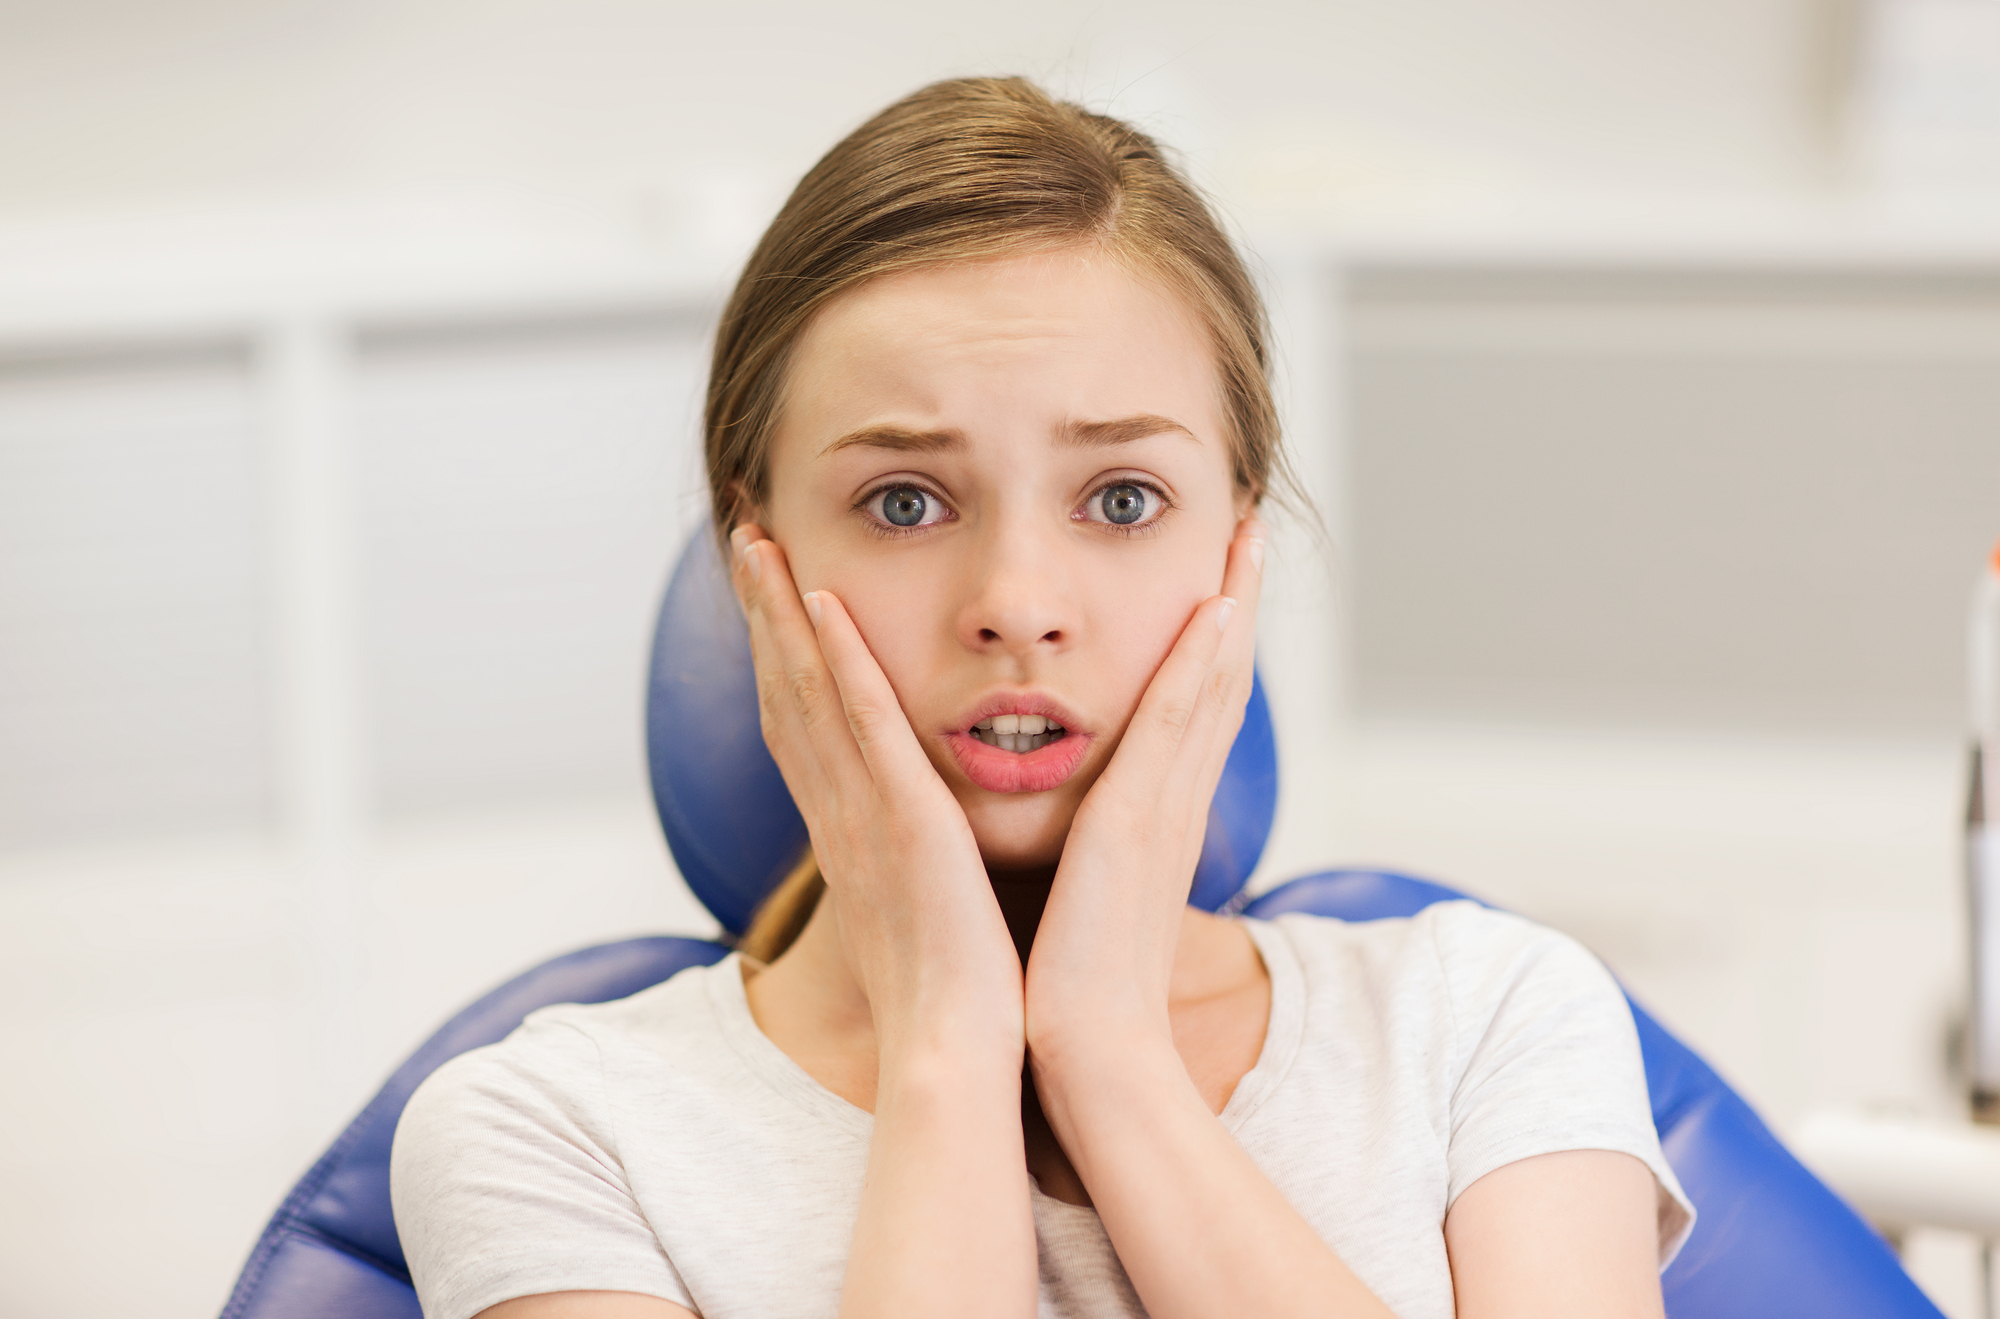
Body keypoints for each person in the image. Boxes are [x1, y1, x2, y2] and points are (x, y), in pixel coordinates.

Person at [390, 76, 1693, 1319]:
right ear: (758, 565)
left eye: (1122, 499)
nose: (1017, 600)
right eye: (904, 502)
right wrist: (950, 1045)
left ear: (1237, 546)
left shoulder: (1489, 1014)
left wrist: (1108, 1057)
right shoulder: (547, 1131)